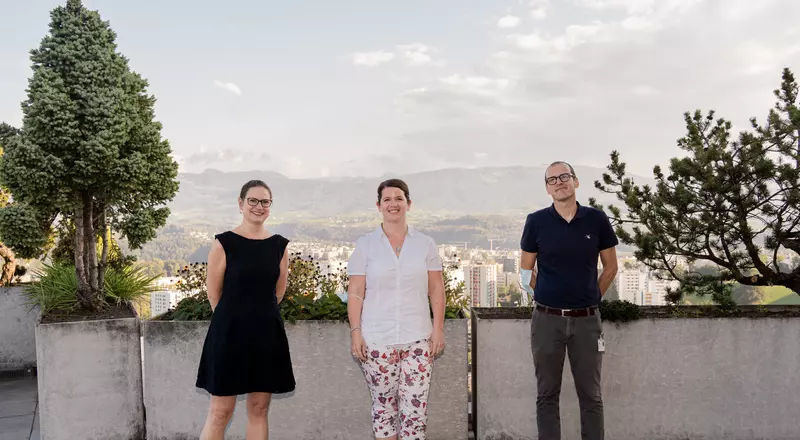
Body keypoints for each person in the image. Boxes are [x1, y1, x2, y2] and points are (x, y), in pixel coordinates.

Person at [519, 161, 618, 440]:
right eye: (552, 179)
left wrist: (591, 297)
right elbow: (526, 271)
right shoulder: (536, 221)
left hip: (587, 321)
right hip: (546, 320)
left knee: (591, 395)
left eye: (565, 176)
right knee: (547, 394)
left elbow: (610, 267)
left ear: (576, 181)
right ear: (547, 189)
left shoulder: (596, 219)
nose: (559, 182)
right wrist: (547, 295)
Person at [347, 178, 447, 440]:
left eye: (399, 198)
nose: (393, 204)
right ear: (379, 206)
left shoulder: (425, 244)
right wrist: (355, 332)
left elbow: (436, 289)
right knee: (383, 410)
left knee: (415, 413)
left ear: (409, 204)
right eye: (387, 199)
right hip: (377, 340)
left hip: (418, 338)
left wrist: (438, 330)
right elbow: (356, 292)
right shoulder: (365, 245)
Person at [196, 179, 295, 440]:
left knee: (259, 408)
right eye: (253, 200)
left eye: (265, 202)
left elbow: (278, 293)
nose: (259, 206)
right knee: (220, 412)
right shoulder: (223, 243)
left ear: (270, 206)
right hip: (229, 335)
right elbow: (214, 295)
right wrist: (234, 319)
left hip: (266, 336)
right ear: (241, 204)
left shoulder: (280, 246)